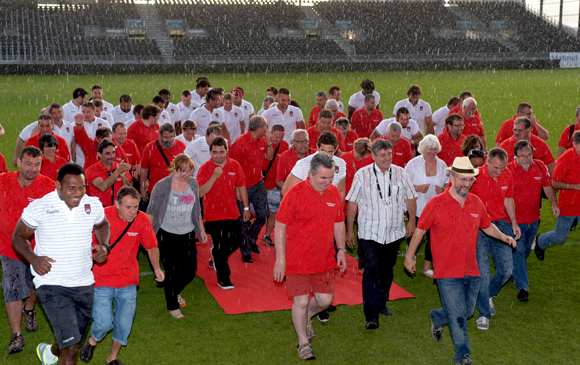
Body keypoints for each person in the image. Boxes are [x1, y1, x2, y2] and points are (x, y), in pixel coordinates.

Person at [404, 156, 516, 365]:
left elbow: (486, 225)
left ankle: (437, 318)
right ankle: (463, 356)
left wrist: (503, 236)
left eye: (469, 180)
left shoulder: (476, 202)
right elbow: (419, 232)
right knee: (458, 317)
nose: (466, 184)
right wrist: (409, 257)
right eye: (462, 179)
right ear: (452, 177)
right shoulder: (436, 204)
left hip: (471, 270)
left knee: (466, 312)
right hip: (446, 271)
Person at [13, 163, 110, 365]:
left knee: (71, 337)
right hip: (51, 284)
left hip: (84, 283)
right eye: (71, 188)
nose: (77, 193)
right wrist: (34, 258)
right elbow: (18, 237)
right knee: (71, 348)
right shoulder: (40, 207)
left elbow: (102, 224)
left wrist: (104, 245)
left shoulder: (92, 205)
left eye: (81, 188)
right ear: (58, 186)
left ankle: (49, 354)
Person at [273, 153, 347, 361]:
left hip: (323, 259)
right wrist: (280, 259)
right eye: (323, 178)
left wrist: (340, 249)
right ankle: (303, 342)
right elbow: (280, 225)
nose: (328, 182)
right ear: (310, 174)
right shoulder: (294, 194)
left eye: (331, 178)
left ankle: (305, 319)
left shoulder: (333, 193)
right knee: (302, 301)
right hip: (297, 259)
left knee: (324, 300)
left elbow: (338, 222)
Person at [79, 187, 164, 365]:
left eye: (136, 207)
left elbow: (151, 246)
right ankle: (93, 340)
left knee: (124, 325)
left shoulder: (141, 219)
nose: (133, 212)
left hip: (128, 281)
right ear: (117, 204)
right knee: (103, 323)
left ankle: (112, 358)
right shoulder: (101, 217)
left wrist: (157, 268)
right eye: (128, 207)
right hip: (102, 279)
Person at [346, 139, 417, 329]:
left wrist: (411, 221)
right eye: (383, 155)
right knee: (371, 270)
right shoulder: (362, 174)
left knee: (387, 271)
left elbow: (410, 198)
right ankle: (371, 314)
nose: (387, 158)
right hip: (369, 232)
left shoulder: (401, 174)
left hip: (394, 232)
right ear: (374, 156)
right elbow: (352, 203)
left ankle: (382, 301)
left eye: (389, 155)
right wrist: (348, 230)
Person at [0, 146, 54, 354]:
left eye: (37, 164)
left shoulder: (48, 188)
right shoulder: (3, 181)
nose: (33, 169)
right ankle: (16, 335)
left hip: (35, 250)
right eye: (29, 164)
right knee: (12, 288)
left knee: (34, 288)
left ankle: (29, 309)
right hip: (8, 247)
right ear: (19, 162)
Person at [146, 154, 207, 318]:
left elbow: (197, 209)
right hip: (167, 234)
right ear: (174, 168)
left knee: (190, 269)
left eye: (189, 171)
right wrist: (147, 233)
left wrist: (201, 230)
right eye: (182, 171)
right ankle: (173, 306)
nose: (186, 174)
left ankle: (174, 291)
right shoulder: (162, 186)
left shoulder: (193, 184)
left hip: (187, 233)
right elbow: (151, 211)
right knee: (172, 271)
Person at [470, 148, 521, 330]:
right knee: (483, 274)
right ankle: (483, 314)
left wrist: (514, 224)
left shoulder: (507, 174)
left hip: (501, 226)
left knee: (506, 271)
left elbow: (509, 199)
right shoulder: (474, 176)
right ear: (487, 162)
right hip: (481, 229)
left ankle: (487, 295)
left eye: (502, 168)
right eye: (495, 168)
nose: (498, 172)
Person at [507, 140, 559, 302]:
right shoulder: (508, 170)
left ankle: (512, 271)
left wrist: (554, 204)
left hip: (534, 219)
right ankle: (523, 288)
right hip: (515, 221)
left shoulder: (540, 166)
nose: (526, 159)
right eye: (522, 156)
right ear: (515, 156)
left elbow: (547, 186)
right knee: (520, 251)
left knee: (525, 250)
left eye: (529, 155)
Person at [198, 138, 249, 289]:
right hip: (213, 215)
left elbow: (242, 187)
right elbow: (201, 192)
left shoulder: (235, 165)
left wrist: (246, 208)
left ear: (227, 151)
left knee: (237, 241)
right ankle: (223, 279)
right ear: (210, 152)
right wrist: (214, 176)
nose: (218, 156)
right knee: (220, 247)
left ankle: (217, 255)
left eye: (221, 152)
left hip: (232, 212)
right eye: (215, 152)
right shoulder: (205, 168)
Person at [229, 116, 273, 263]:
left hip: (258, 183)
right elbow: (232, 166)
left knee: (263, 214)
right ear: (260, 128)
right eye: (266, 126)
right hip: (243, 187)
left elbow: (269, 156)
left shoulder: (262, 140)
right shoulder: (240, 143)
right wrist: (236, 189)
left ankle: (251, 238)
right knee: (243, 220)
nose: (267, 129)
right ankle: (245, 251)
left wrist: (269, 143)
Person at [404, 135, 449, 278]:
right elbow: (404, 183)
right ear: (422, 149)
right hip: (417, 207)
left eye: (434, 149)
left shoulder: (442, 165)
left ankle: (427, 266)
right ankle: (410, 257)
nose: (431, 152)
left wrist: (443, 190)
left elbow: (449, 183)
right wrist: (417, 187)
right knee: (415, 234)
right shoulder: (413, 164)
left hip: (436, 208)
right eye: (429, 149)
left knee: (433, 237)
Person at [534, 131, 580, 261]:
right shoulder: (566, 159)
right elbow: (554, 182)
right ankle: (541, 241)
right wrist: (575, 186)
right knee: (560, 237)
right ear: (575, 144)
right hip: (568, 206)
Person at [282, 132, 346, 201]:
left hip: (329, 209)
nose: (326, 155)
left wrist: (339, 211)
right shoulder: (303, 164)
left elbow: (341, 191)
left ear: (336, 149)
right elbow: (286, 190)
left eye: (330, 152)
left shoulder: (341, 164)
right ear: (317, 147)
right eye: (323, 151)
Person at [140, 123, 187, 204]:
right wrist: (142, 189)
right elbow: (144, 170)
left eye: (171, 137)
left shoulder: (181, 146)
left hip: (176, 191)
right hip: (156, 191)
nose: (169, 140)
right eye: (165, 137)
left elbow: (186, 169)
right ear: (159, 135)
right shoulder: (149, 147)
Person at [261, 125, 289, 247]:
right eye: (276, 137)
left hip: (274, 185)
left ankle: (266, 235)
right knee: (256, 212)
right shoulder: (262, 143)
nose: (278, 140)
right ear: (270, 133)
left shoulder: (284, 146)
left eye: (281, 137)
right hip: (260, 184)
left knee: (273, 212)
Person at [85, 139, 132, 207]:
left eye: (113, 152)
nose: (112, 156)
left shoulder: (120, 167)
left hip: (119, 209)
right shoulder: (91, 170)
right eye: (108, 153)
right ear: (99, 154)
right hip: (100, 210)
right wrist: (117, 172)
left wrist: (123, 177)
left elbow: (130, 192)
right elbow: (103, 187)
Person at [73, 101, 111, 167]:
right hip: (80, 161)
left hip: (99, 160)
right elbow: (73, 143)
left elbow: (110, 140)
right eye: (83, 112)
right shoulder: (75, 125)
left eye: (88, 112)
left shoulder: (104, 123)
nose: (85, 115)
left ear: (94, 112)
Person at [276, 129, 312, 195]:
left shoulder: (314, 154)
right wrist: (294, 192)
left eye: (305, 141)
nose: (303, 145)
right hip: (291, 195)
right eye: (299, 142)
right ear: (293, 142)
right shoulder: (285, 156)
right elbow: (279, 181)